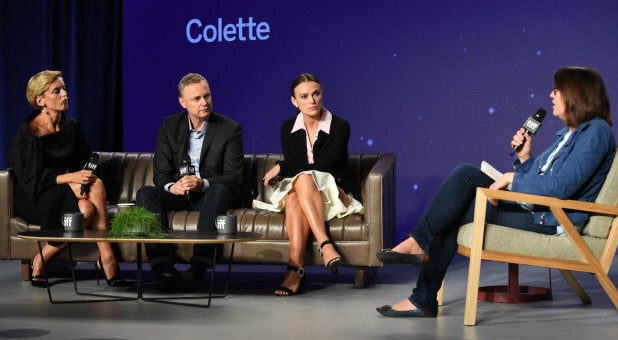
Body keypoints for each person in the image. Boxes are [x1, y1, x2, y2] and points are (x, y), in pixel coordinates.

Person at [375, 66, 616, 317]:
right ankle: (420, 270)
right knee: (464, 179)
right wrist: (524, 159)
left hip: (553, 219)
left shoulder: (596, 132)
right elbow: (544, 181)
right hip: (535, 208)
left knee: (462, 186)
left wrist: (512, 179)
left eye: (557, 89)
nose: (551, 95)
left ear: (576, 93)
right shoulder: (565, 134)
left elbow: (562, 187)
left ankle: (421, 279)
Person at [8, 70, 130, 288]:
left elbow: (84, 162)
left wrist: (83, 176)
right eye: (57, 91)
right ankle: (105, 260)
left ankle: (96, 255)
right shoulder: (28, 134)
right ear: (41, 101)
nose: (65, 94)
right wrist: (72, 177)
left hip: (64, 189)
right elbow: (32, 180)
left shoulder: (71, 127)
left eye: (64, 88)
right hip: (35, 195)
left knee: (89, 206)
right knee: (92, 191)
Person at [253, 73, 364, 296]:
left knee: (302, 179)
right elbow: (297, 164)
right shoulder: (288, 128)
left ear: (323, 94)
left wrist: (282, 167)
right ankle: (319, 250)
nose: (312, 101)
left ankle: (296, 268)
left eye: (316, 94)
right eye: (304, 96)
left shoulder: (340, 126)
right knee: (296, 191)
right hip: (304, 193)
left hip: (333, 191)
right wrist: (286, 166)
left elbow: (325, 166)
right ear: (294, 101)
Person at [136, 73, 244, 293]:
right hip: (178, 194)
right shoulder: (169, 125)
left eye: (207, 96)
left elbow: (234, 177)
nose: (204, 102)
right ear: (183, 102)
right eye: (197, 99)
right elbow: (161, 173)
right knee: (145, 193)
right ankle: (163, 267)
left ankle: (199, 267)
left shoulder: (229, 129)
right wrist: (171, 187)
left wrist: (202, 183)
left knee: (220, 190)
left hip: (207, 194)